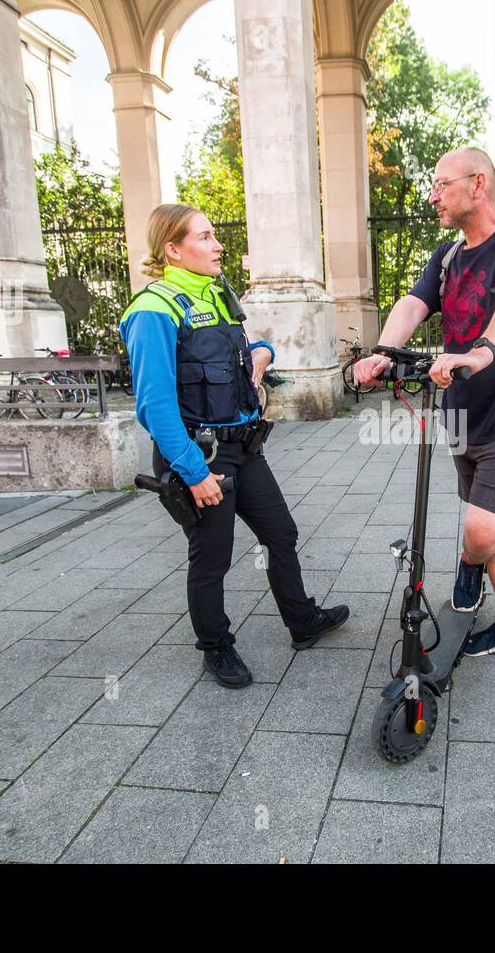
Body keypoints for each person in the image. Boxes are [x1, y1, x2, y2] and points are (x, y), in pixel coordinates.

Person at [119, 204, 349, 688]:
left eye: (213, 236)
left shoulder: (219, 295)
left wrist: (262, 354)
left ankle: (302, 622)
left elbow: (248, 346)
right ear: (173, 249)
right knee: (212, 557)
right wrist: (193, 473)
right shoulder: (153, 309)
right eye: (204, 237)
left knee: (281, 534)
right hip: (200, 456)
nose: (218, 244)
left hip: (245, 446)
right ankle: (216, 647)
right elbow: (155, 406)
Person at [354, 148, 495, 657]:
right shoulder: (446, 256)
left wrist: (482, 350)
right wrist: (381, 354)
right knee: (487, 514)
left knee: (481, 530)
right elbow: (413, 304)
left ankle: (468, 570)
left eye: (442, 184)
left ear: (477, 184)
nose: (433, 195)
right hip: (462, 412)